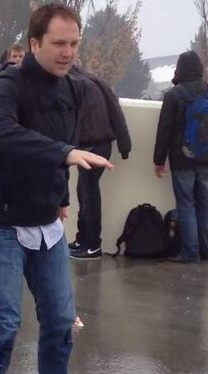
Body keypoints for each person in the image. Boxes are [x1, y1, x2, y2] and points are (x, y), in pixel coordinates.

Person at [0, 4, 113, 374]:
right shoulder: (8, 85)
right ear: (34, 44)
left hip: (45, 219)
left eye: (74, 44)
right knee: (4, 324)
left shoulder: (74, 89)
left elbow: (64, 145)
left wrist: (60, 194)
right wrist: (64, 154)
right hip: (0, 220)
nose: (68, 53)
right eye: (59, 44)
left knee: (61, 320)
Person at [153, 51, 208, 263]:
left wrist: (158, 160)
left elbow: (165, 130)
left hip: (182, 159)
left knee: (186, 204)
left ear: (179, 70)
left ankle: (190, 253)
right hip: (207, 157)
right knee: (203, 204)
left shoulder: (174, 95)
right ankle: (207, 251)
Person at [67, 65, 132, 259]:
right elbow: (115, 111)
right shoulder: (93, 80)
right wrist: (124, 145)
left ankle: (91, 243)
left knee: (88, 194)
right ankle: (84, 239)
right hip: (101, 144)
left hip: (90, 145)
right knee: (86, 191)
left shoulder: (72, 84)